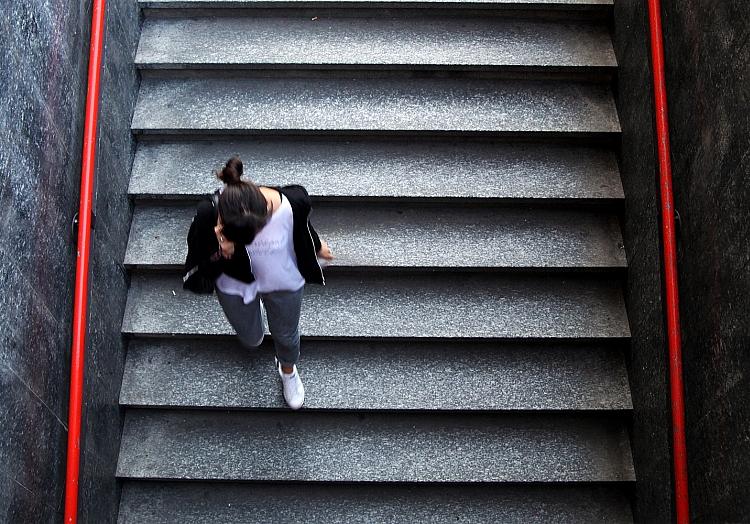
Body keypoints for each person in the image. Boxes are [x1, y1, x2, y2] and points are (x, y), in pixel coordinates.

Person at [205, 156, 333, 409]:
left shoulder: (292, 202)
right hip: (238, 286)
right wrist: (220, 247)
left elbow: (303, 226)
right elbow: (199, 261)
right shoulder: (212, 213)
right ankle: (259, 316)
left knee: (286, 335)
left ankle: (288, 370)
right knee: (252, 338)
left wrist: (317, 246)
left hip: (283, 282)